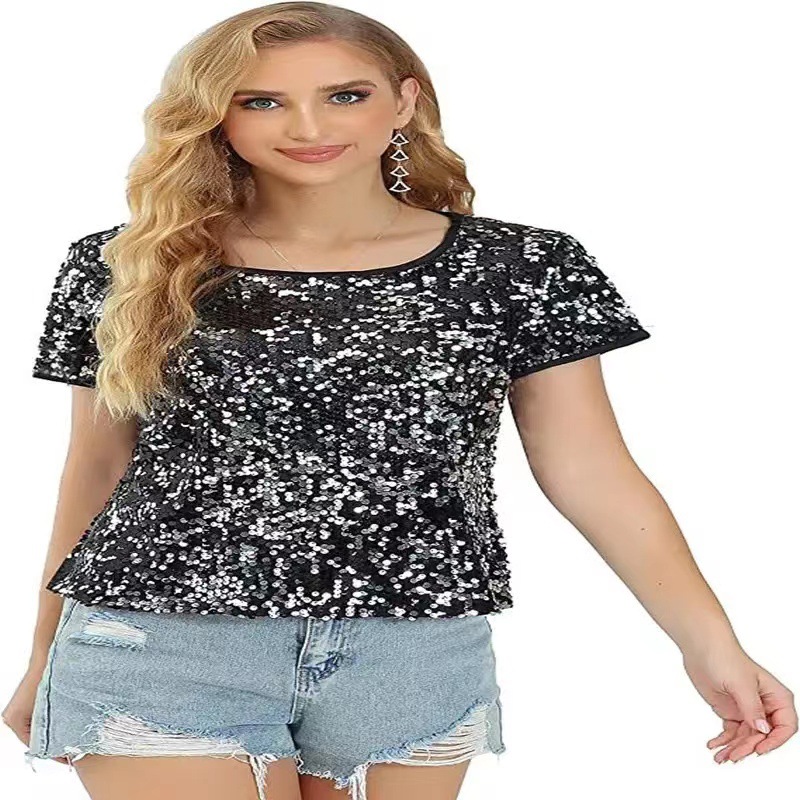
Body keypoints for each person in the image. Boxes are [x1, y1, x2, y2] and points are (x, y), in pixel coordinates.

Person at [4, 3, 796, 800]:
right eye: (262, 101)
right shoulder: (132, 264)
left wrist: (710, 643)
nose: (307, 126)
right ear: (217, 117)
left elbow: (590, 470)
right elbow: (97, 467)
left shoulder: (521, 266)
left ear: (405, 101)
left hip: (411, 653)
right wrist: (42, 655)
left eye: (345, 95)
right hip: (162, 640)